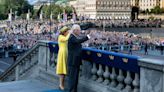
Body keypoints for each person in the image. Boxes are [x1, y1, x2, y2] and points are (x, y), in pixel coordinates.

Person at [66, 24, 90, 92]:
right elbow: (78, 41)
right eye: (79, 30)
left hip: (75, 61)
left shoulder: (74, 36)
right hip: (73, 61)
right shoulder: (72, 37)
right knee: (72, 79)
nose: (80, 32)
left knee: (75, 79)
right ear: (75, 30)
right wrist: (87, 37)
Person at [56, 26, 70, 90]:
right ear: (64, 32)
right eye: (67, 31)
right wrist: (71, 32)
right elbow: (66, 39)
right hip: (62, 54)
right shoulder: (60, 37)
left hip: (65, 53)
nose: (68, 32)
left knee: (64, 71)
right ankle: (61, 85)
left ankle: (62, 84)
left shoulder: (64, 36)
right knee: (62, 70)